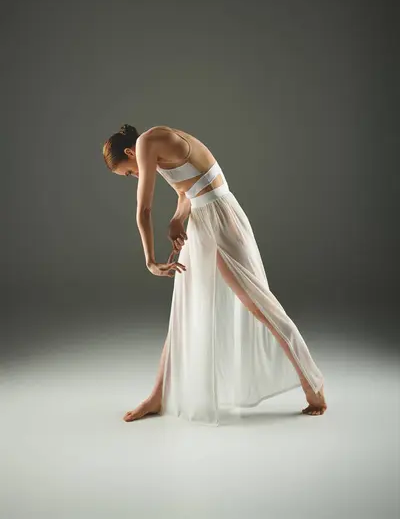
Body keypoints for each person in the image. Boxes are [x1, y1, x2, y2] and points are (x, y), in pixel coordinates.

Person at [102, 124, 327, 425]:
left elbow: (143, 209)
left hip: (218, 219)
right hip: (202, 219)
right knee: (183, 308)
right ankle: (158, 395)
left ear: (130, 152)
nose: (135, 176)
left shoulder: (146, 143)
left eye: (128, 172)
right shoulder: (154, 146)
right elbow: (189, 190)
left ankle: (313, 384)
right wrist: (176, 220)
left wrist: (150, 261)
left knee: (258, 304)